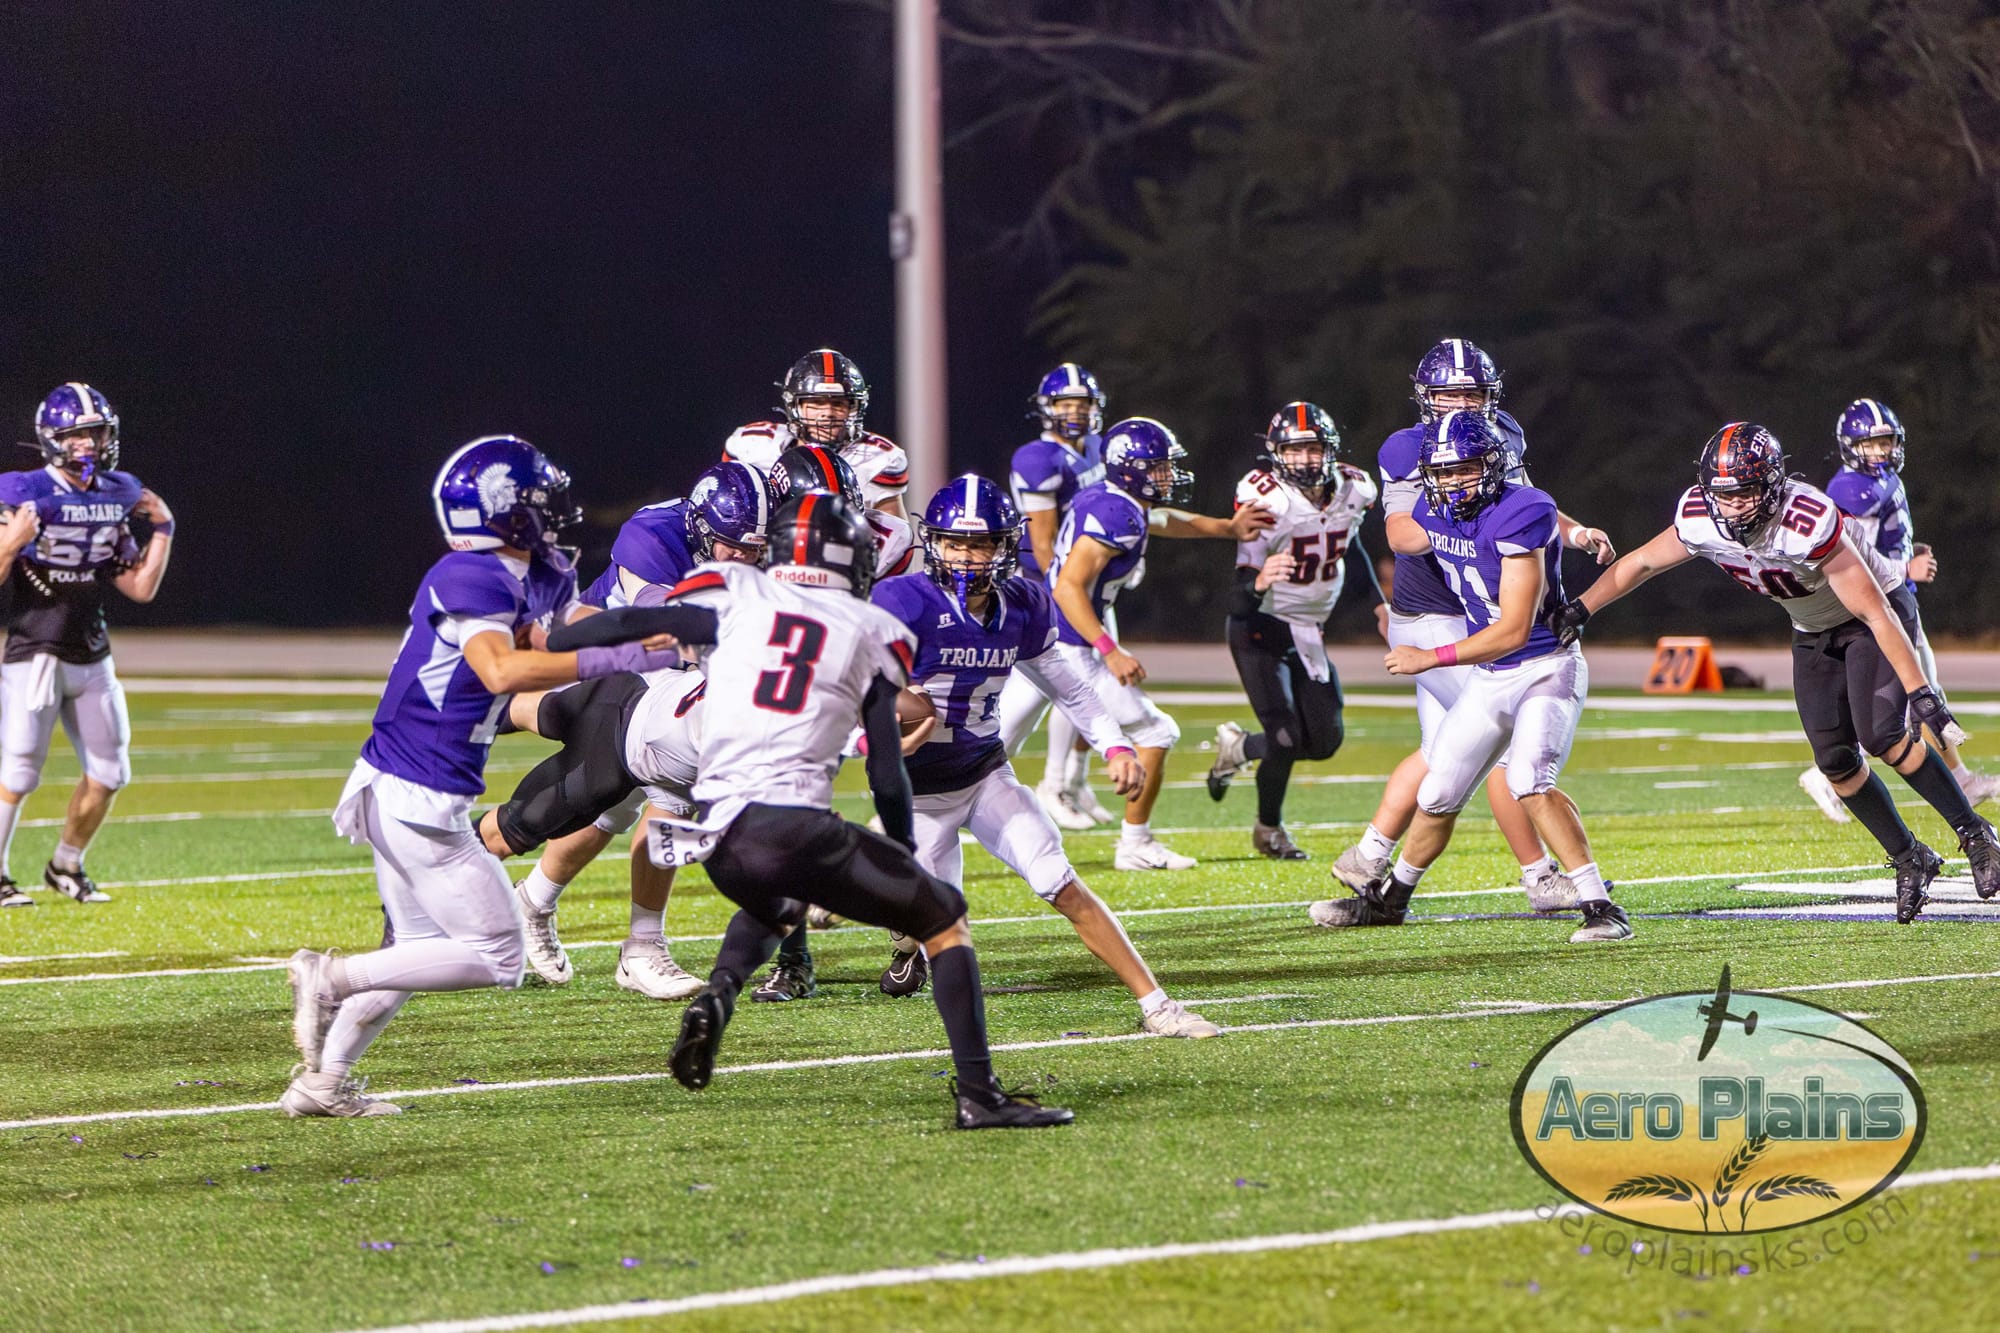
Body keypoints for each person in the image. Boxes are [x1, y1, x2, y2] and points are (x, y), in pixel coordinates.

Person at [551, 491, 1074, 1128]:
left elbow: (627, 624)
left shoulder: (734, 590)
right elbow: (887, 771)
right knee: (945, 920)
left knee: (778, 902)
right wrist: (903, 847)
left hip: (718, 832)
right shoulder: (871, 628)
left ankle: (720, 994)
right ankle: (979, 1095)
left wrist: (558, 635)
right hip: (795, 826)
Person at [281, 436, 675, 1117]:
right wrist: (619, 658)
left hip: (410, 784)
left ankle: (322, 1083)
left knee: (418, 950)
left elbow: (564, 626)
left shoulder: (536, 569)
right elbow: (500, 668)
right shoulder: (470, 576)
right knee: (498, 955)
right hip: (414, 787)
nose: (552, 506)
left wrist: (656, 626)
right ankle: (329, 977)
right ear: (504, 510)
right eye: (538, 497)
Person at [1552, 421, 2000, 923]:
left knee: (1883, 736)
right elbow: (1642, 563)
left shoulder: (1803, 519)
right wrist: (1581, 608)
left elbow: (1875, 612)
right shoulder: (1699, 516)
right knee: (1835, 762)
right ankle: (1910, 856)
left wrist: (1922, 693)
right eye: (1723, 494)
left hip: (1873, 615)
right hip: (1812, 628)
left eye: (1744, 493)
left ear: (1771, 485)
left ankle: (1975, 834)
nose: (1732, 506)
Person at [868, 475, 1220, 1037]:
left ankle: (1158, 1007)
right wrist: (873, 737)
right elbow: (849, 687)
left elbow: (1070, 688)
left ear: (1004, 545)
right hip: (918, 794)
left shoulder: (1023, 603)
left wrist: (1115, 746)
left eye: (979, 543)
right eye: (954, 543)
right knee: (940, 924)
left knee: (1062, 883)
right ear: (932, 542)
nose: (965, 557)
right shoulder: (901, 601)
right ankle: (907, 940)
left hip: (985, 776)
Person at [1310, 411, 1631, 943]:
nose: (1453, 481)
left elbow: (1514, 630)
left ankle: (1601, 906)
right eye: (1442, 472)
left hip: (1543, 664)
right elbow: (1400, 536)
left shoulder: (1523, 510)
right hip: (1489, 674)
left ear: (1495, 465)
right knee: (1438, 791)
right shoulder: (1432, 509)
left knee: (1528, 778)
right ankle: (1390, 900)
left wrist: (1428, 656)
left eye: (1465, 469)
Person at [511, 459, 775, 999]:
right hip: (615, 658)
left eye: (755, 549)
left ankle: (534, 902)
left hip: (670, 668)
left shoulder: (752, 550)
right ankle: (640, 946)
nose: (744, 559)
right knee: (671, 776)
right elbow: (658, 620)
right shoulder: (653, 533)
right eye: (732, 546)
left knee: (616, 803)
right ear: (700, 527)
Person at [994, 417, 1273, 871]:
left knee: (991, 746)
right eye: (1158, 467)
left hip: (1042, 635)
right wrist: (1109, 648)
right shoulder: (1116, 514)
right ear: (1130, 469)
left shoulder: (1113, 500)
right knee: (1157, 733)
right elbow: (1068, 587)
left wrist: (1228, 528)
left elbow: (1161, 519)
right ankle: (1135, 844)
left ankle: (911, 819)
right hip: (1069, 644)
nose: (1168, 475)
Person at [746, 446, 921, 1000]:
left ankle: (903, 897)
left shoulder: (887, 537)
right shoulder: (751, 544)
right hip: (790, 680)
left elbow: (897, 609)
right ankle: (795, 958)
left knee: (886, 783)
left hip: (856, 666)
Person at [0, 383, 175, 908]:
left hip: (91, 651)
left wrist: (164, 528)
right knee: (19, 771)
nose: (88, 444)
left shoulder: (116, 495)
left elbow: (139, 588)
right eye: (76, 435)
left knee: (111, 771)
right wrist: (10, 545)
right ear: (51, 439)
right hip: (36, 649)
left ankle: (65, 865)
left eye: (95, 433)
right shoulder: (22, 491)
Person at [1797, 398, 1997, 821]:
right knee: (1911, 697)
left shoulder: (1882, 478)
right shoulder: (1851, 489)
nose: (1880, 451)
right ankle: (1825, 772)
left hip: (1898, 595)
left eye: (1886, 442)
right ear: (1850, 446)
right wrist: (1906, 567)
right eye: (1870, 445)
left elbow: (1880, 542)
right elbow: (1854, 558)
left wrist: (1906, 552)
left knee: (1926, 690)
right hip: (1881, 602)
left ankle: (1959, 776)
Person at [1205, 403, 1380, 860]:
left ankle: (1240, 748)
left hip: (1308, 628)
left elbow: (1351, 545)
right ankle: (1269, 831)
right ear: (1276, 454)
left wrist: (1379, 604)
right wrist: (1261, 579)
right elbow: (1238, 600)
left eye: (1313, 448)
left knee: (1324, 741)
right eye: (1294, 450)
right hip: (1259, 628)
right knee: (1283, 738)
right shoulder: (1266, 500)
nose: (1304, 459)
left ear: (1330, 450)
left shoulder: (1355, 488)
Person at [1008, 363, 1111, 832]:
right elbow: (1044, 543)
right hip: (1047, 584)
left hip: (1086, 583)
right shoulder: (1038, 459)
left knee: (1094, 682)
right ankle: (1053, 783)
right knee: (1065, 686)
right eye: (1065, 403)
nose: (1075, 412)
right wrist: (1065, 594)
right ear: (1047, 408)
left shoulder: (1097, 448)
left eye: (1082, 403)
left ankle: (1073, 779)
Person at [722, 348, 909, 517]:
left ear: (854, 408)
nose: (828, 412)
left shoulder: (875, 458)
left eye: (838, 403)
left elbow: (893, 535)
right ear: (795, 405)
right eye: (817, 402)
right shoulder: (754, 444)